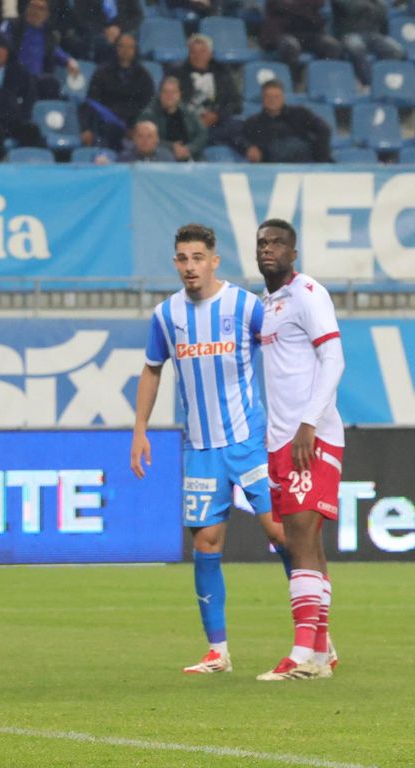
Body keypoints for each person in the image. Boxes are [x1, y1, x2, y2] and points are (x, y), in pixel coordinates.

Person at [131, 223, 291, 675]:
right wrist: (140, 429)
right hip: (200, 447)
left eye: (198, 257)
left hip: (249, 440)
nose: (190, 267)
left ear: (214, 260)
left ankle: (314, 637)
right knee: (205, 541)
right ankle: (217, 651)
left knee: (281, 533)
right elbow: (151, 370)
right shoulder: (167, 315)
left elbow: (281, 353)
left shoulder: (244, 305)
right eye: (182, 258)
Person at [255, 218, 343, 681]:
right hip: (280, 440)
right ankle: (322, 651)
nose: (268, 249)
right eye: (262, 243)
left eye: (276, 243)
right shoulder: (267, 306)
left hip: (309, 436)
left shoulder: (307, 293)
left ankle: (302, 655)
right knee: (304, 542)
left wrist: (309, 422)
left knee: (302, 540)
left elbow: (334, 357)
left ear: (293, 252)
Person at [80, 33, 154, 151]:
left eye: (130, 47)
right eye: (122, 46)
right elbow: (91, 102)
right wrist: (86, 129)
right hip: (105, 126)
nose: (126, 50)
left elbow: (148, 105)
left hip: (134, 126)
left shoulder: (143, 76)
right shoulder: (102, 72)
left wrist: (136, 128)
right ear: (116, 48)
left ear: (135, 50)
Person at [165, 34, 240, 147]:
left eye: (203, 52)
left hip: (216, 122)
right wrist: (194, 119)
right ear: (189, 54)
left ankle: (198, 143)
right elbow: (168, 101)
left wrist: (216, 115)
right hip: (188, 122)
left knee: (238, 125)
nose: (198, 56)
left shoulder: (222, 72)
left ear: (210, 54)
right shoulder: (176, 73)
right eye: (194, 52)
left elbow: (236, 103)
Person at [0, 0, 80, 101]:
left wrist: (68, 61)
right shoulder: (12, 25)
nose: (35, 11)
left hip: (37, 82)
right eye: (32, 6)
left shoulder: (48, 34)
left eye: (41, 9)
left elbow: (55, 51)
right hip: (13, 77)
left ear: (47, 14)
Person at [241, 80, 331, 164]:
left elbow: (323, 129)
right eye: (269, 96)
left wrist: (322, 161)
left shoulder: (300, 113)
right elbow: (242, 140)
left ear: (283, 97)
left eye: (276, 96)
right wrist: (249, 148)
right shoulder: (253, 123)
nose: (273, 100)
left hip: (303, 165)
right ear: (263, 98)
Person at [260, 0, 343, 77]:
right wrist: (302, 7)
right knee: (290, 46)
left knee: (332, 46)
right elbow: (276, 4)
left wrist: (292, 5)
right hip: (283, 32)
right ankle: (293, 83)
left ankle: (323, 81)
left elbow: (318, 2)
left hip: (310, 32)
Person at [332, 0, 403, 87]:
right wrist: (368, 5)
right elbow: (351, 8)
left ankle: (384, 81)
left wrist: (366, 6)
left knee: (396, 51)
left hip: (373, 35)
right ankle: (369, 84)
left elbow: (382, 11)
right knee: (356, 47)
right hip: (349, 33)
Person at [137, 76, 205, 162]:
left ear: (179, 94)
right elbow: (143, 139)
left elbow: (202, 134)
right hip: (161, 158)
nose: (169, 96)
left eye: (173, 92)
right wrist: (171, 147)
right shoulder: (148, 114)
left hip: (190, 155)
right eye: (165, 92)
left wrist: (189, 149)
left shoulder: (188, 112)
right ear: (160, 94)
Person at [69, 0, 143, 63]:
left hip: (123, 30)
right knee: (103, 45)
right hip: (97, 33)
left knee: (127, 42)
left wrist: (120, 29)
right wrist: (104, 30)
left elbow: (138, 15)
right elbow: (80, 18)